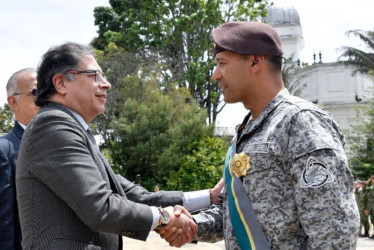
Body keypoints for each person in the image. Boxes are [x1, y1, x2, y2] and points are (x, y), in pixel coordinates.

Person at [161, 21, 360, 249]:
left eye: (221, 63)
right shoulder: (248, 132)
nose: (215, 75)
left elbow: (334, 232)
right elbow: (234, 213)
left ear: (255, 61)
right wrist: (193, 225)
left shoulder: (300, 122)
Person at [15, 42, 224, 250]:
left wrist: (209, 197)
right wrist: (164, 218)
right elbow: (100, 207)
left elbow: (132, 195)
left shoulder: (73, 129)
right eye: (94, 76)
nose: (106, 84)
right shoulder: (52, 126)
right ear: (61, 83)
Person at [0, 68, 39, 250]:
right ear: (13, 101)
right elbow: (4, 224)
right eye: (36, 92)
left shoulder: (61, 143)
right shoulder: (4, 150)